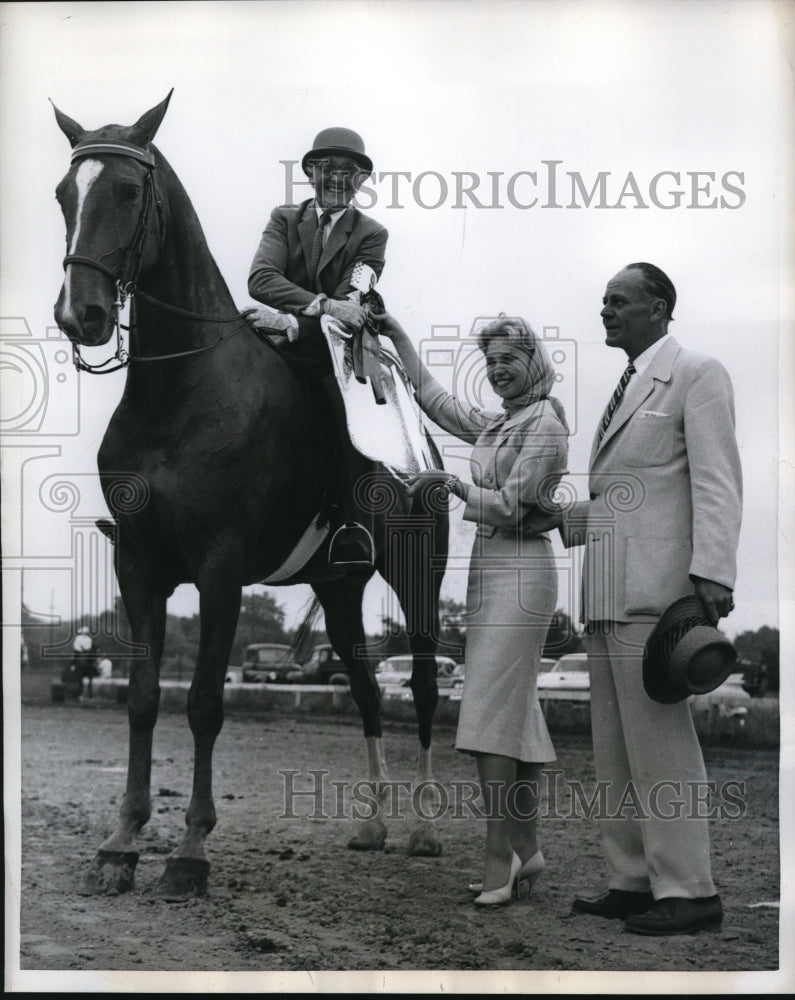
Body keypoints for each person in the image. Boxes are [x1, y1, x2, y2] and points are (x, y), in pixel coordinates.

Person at [530, 262, 742, 935]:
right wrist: (556, 518)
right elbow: (628, 496)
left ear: (658, 307)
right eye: (602, 301)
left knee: (661, 750)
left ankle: (688, 891)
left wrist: (713, 575)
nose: (606, 311)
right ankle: (632, 878)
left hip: (657, 596)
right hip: (605, 592)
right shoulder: (622, 390)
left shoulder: (696, 373)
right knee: (615, 750)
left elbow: (716, 482)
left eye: (618, 301)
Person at [376, 310, 569, 907]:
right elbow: (436, 401)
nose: (498, 371)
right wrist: (399, 334)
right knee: (515, 720)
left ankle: (498, 860)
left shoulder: (545, 424)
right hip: (491, 572)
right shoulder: (502, 422)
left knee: (487, 719)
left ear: (533, 359)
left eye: (509, 359)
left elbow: (514, 505)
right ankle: (526, 848)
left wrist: (454, 486)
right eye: (490, 363)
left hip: (521, 571)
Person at [245, 127, 388, 569]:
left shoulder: (372, 234)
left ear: (361, 180)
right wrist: (317, 305)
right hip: (271, 341)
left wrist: (291, 319)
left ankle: (352, 523)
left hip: (330, 355)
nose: (338, 179)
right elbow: (260, 279)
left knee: (351, 422)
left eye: (350, 172)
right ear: (311, 172)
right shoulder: (284, 219)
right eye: (328, 168)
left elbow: (351, 309)